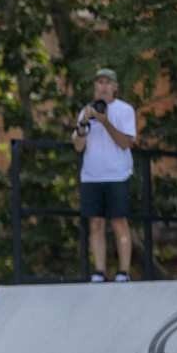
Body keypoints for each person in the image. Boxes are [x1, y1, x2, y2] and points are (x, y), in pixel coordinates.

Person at [71, 68, 137, 282]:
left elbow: (125, 143)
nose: (103, 87)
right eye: (99, 82)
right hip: (92, 176)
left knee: (119, 222)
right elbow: (78, 146)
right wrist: (84, 123)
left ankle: (123, 271)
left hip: (117, 175)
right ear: (94, 87)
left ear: (115, 87)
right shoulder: (86, 111)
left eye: (108, 83)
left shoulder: (124, 110)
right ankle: (99, 271)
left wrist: (105, 121)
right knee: (96, 224)